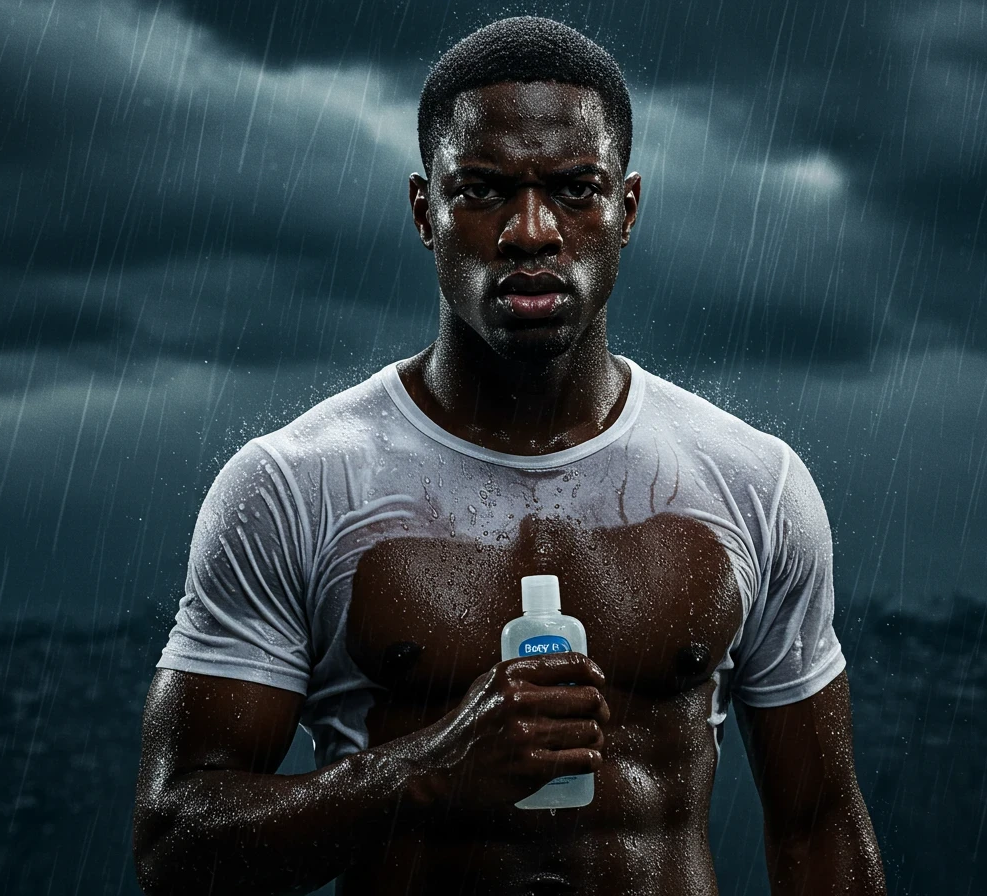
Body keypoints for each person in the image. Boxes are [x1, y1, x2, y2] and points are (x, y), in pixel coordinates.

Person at [133, 16, 886, 896]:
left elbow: (819, 830)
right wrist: (424, 773)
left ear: (627, 210)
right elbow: (175, 844)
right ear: (426, 211)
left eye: (574, 190)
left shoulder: (753, 483)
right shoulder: (293, 486)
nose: (531, 230)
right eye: (484, 190)